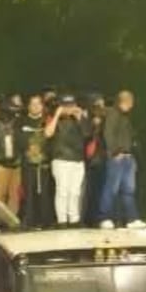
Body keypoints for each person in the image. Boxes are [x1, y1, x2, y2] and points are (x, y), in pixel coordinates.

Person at [99, 90, 146, 229]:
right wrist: (115, 152)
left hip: (127, 157)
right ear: (125, 101)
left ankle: (132, 218)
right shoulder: (113, 114)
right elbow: (108, 134)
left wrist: (131, 154)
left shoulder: (125, 117)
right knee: (111, 188)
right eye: (130, 102)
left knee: (128, 190)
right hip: (117, 157)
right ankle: (104, 217)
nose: (132, 105)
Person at [46, 94, 92, 227]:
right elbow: (48, 133)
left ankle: (74, 219)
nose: (69, 109)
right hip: (61, 159)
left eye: (71, 105)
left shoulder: (80, 119)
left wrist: (80, 118)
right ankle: (62, 220)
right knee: (62, 191)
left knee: (75, 192)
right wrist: (57, 115)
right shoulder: (54, 118)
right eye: (66, 106)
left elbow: (87, 134)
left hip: (77, 160)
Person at [20, 95, 54, 229]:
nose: (35, 107)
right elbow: (18, 139)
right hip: (28, 163)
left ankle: (45, 221)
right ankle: (30, 220)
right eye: (32, 104)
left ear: (42, 106)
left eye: (38, 104)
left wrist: (45, 154)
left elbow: (51, 139)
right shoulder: (21, 122)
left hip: (44, 163)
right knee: (29, 192)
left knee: (45, 192)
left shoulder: (47, 121)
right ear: (28, 106)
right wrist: (29, 149)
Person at [0, 99, 24, 217]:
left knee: (14, 195)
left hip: (16, 163)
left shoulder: (18, 123)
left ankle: (11, 220)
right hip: (1, 164)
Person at [83, 93, 108, 227]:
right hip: (95, 158)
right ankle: (92, 218)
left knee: (97, 188)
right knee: (94, 189)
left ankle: (94, 217)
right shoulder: (91, 118)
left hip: (99, 157)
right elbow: (89, 136)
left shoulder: (103, 117)